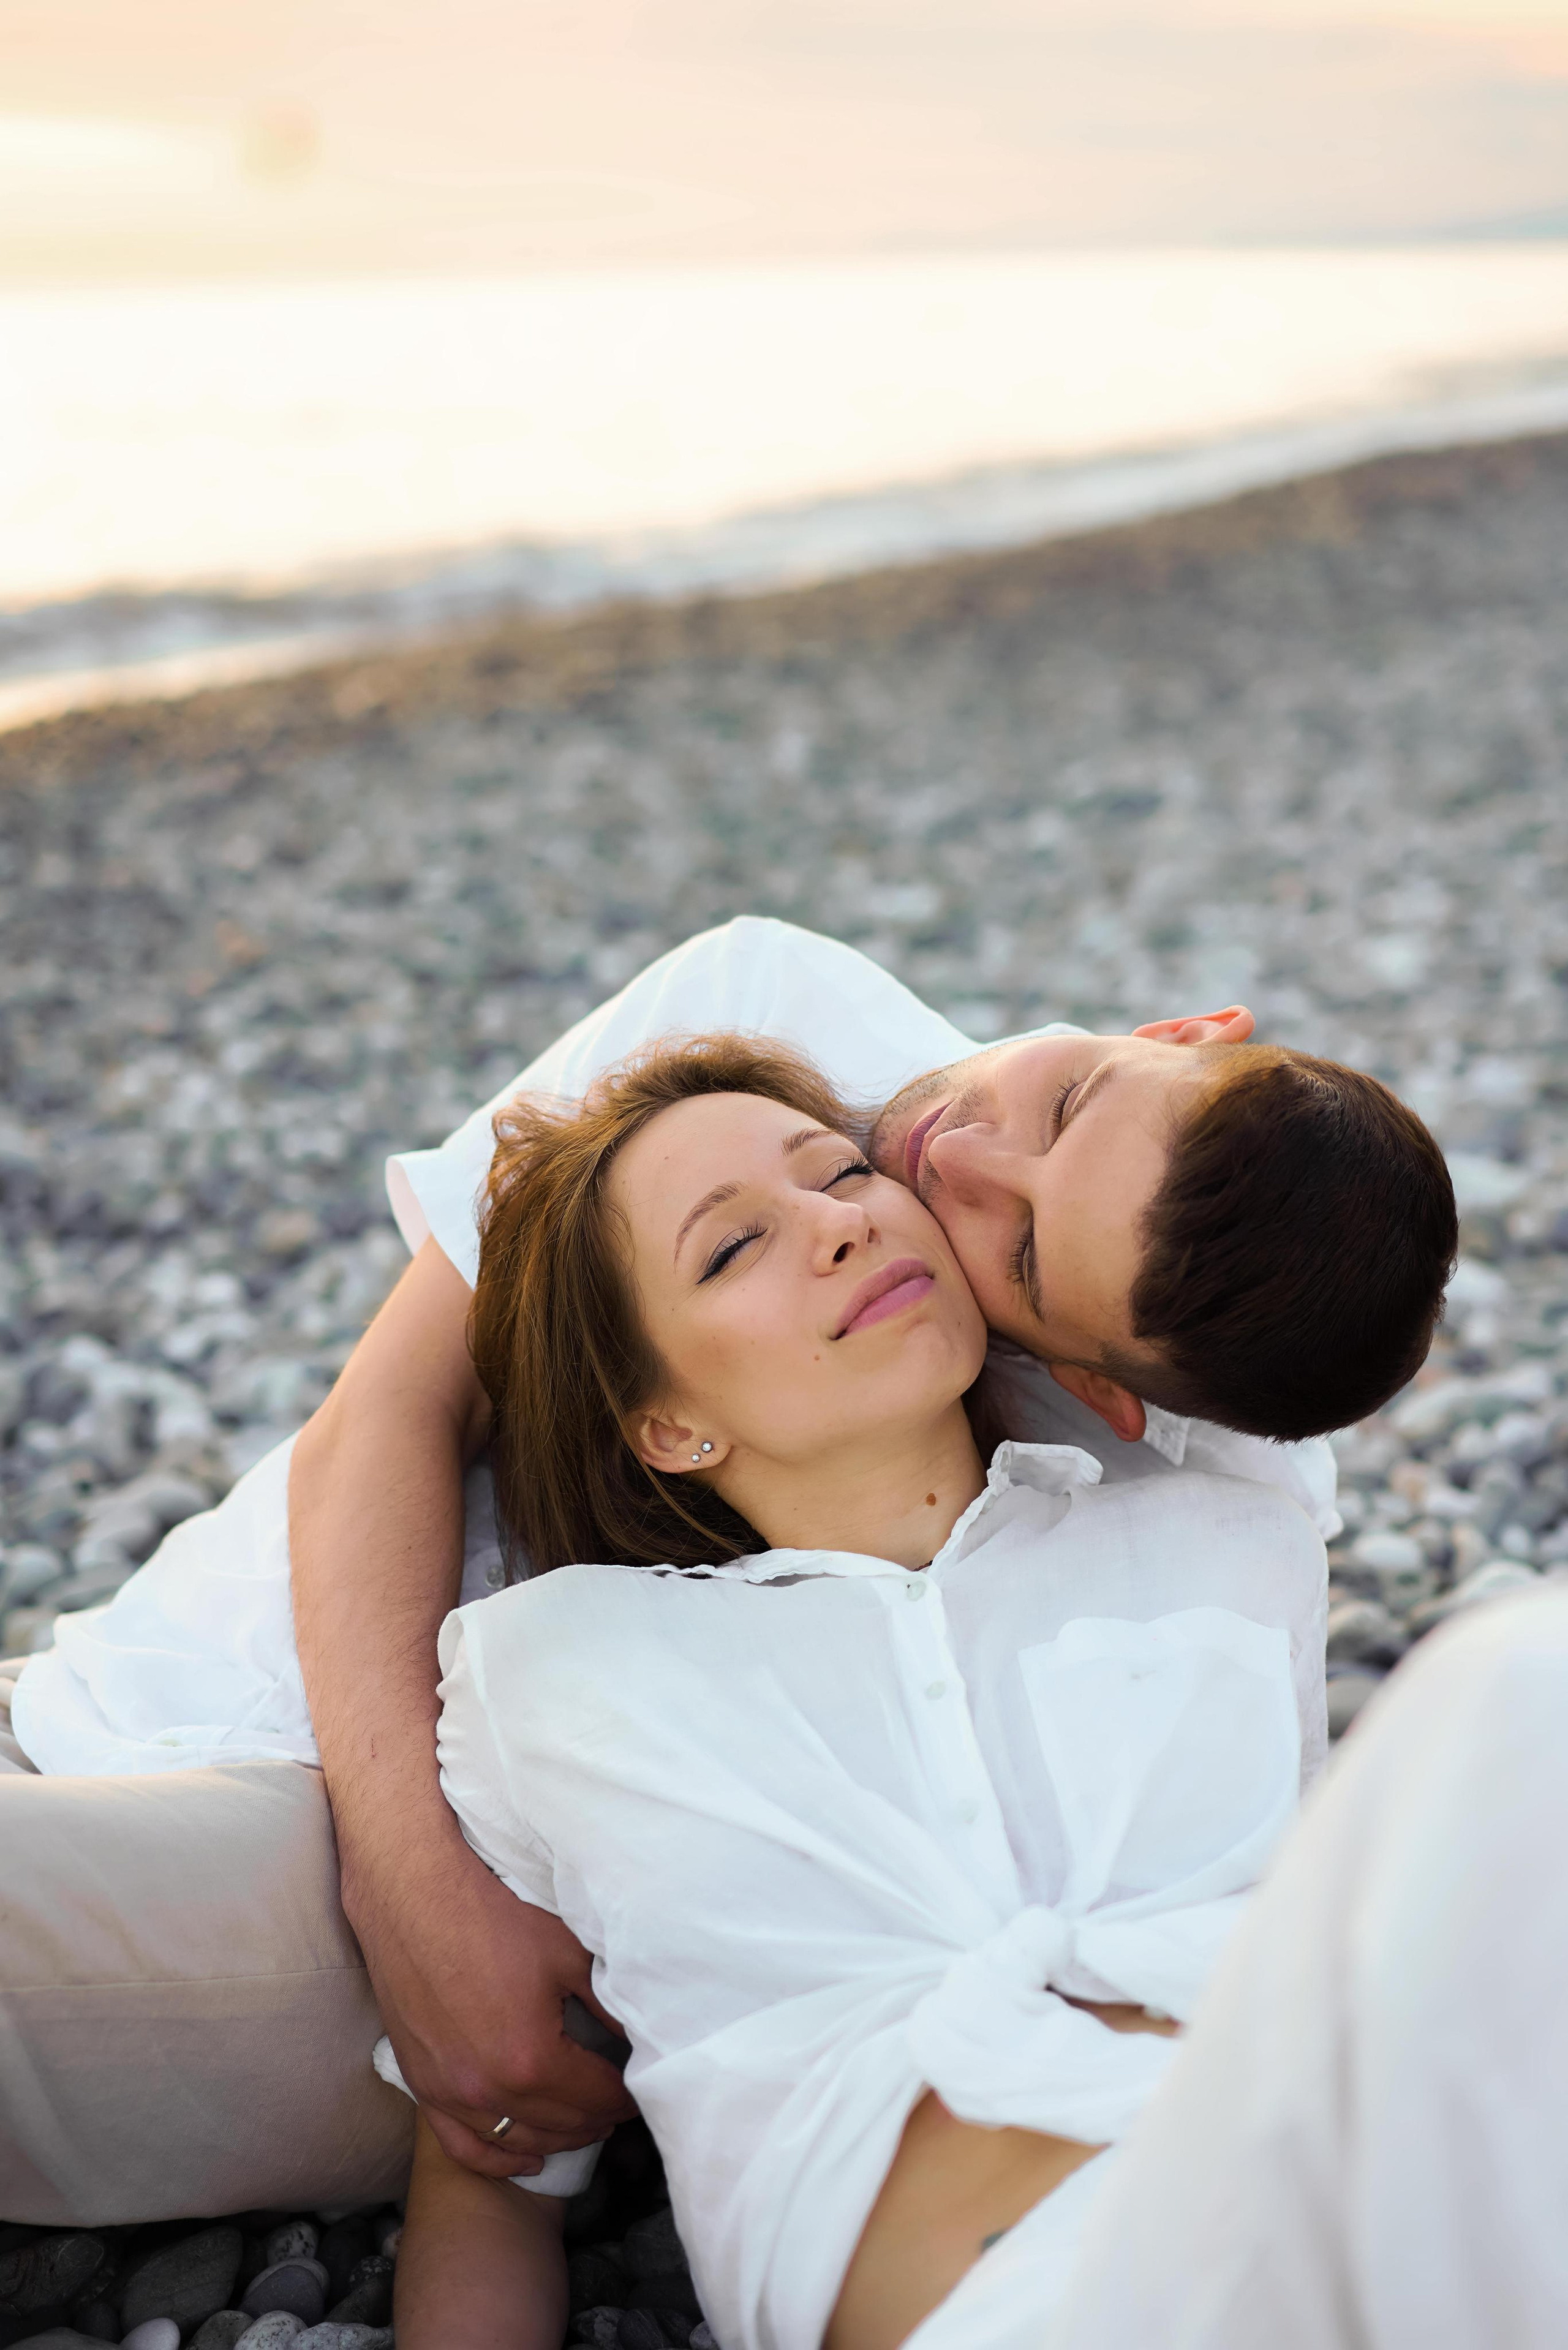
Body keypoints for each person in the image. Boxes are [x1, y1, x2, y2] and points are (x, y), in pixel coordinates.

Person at [0, 918, 1450, 2220]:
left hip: (330, 1840)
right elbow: (385, 1413)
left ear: (1100, 1384)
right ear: (1181, 1029)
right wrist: (417, 1890)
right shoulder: (767, 1014)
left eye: (1012, 1251)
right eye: (1065, 1102)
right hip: (200, 1705)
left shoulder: (1193, 1489)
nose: (957, 1156)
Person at [384, 1031, 1330, 2350]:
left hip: (1360, 2181)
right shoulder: (549, 1672)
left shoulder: (1233, 1543)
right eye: (729, 1247)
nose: (834, 1226)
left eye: (839, 1172)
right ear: (667, 1424)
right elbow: (493, 2176)